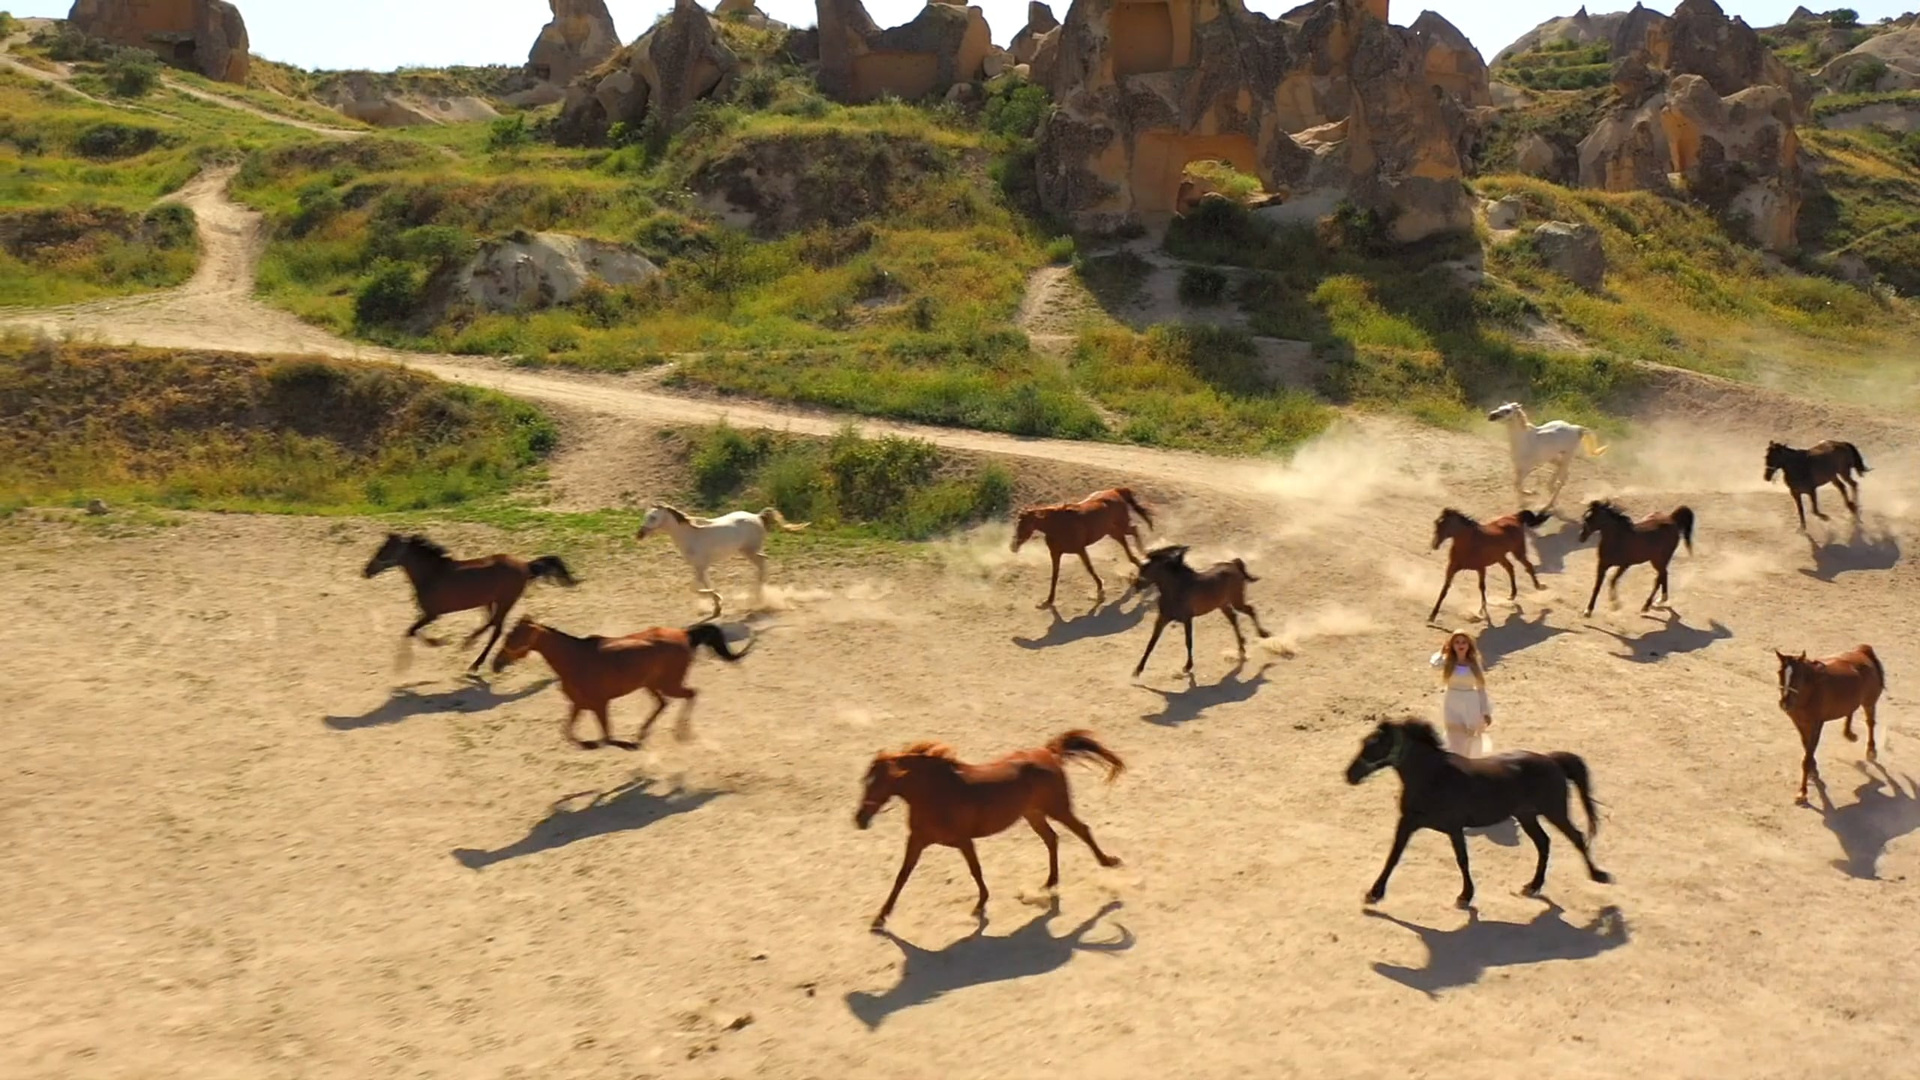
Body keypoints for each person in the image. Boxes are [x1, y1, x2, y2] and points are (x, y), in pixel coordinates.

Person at [1430, 630, 1493, 757]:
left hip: (1471, 702)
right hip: (1452, 701)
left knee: (1471, 736)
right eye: (1457, 642)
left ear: (1469, 645)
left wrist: (1485, 711)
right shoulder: (1447, 662)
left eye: (1464, 642)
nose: (1460, 645)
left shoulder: (1474, 663)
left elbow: (1481, 689)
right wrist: (1443, 651)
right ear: (1452, 645)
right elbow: (1434, 664)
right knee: (1454, 734)